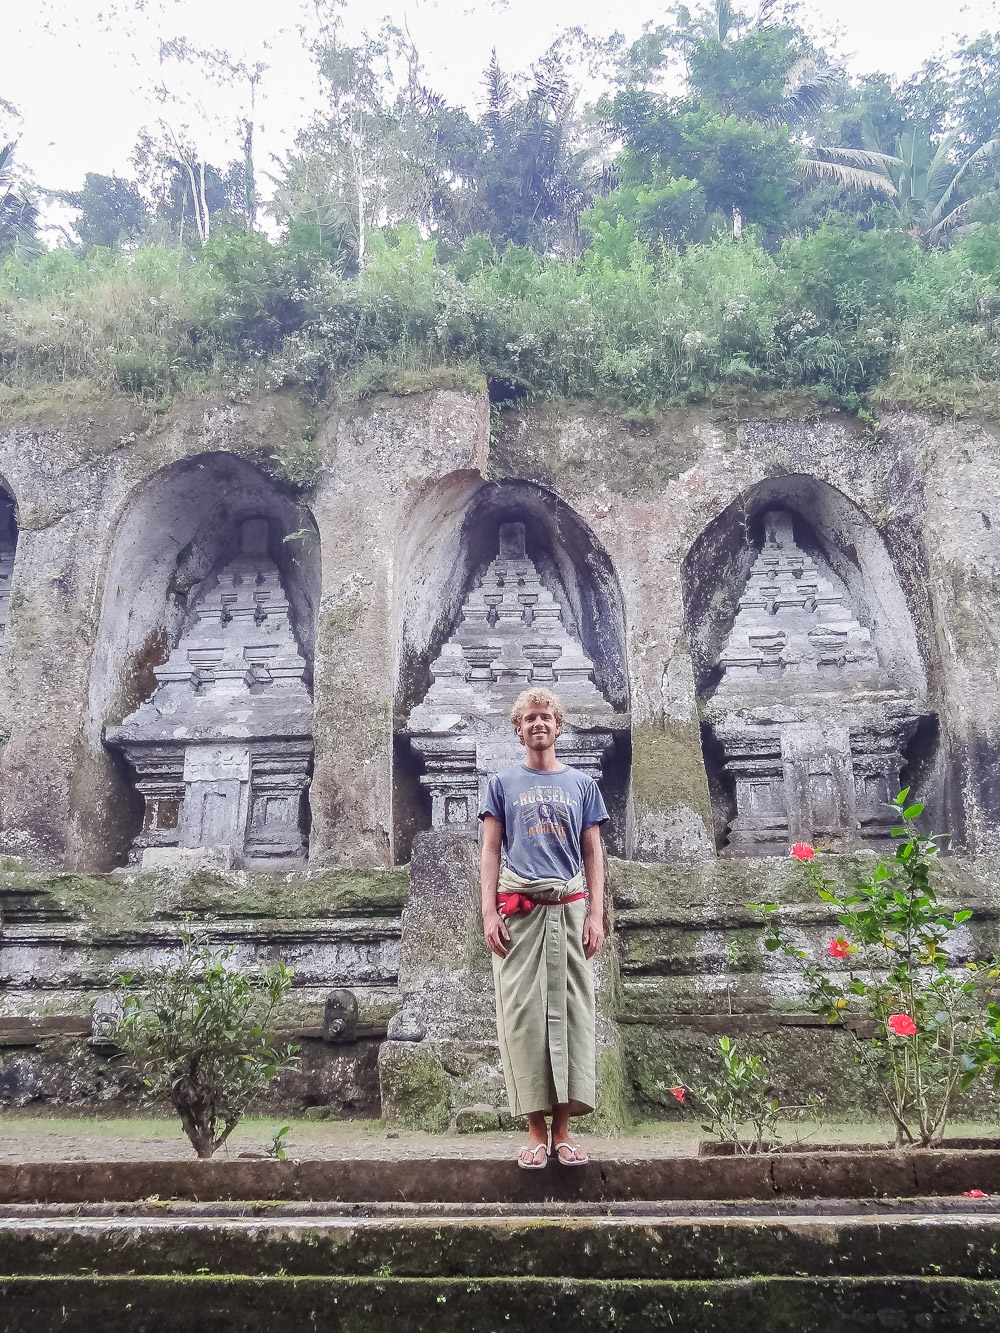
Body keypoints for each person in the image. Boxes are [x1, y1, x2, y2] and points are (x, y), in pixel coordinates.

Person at [479, 686, 608, 1169]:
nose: (538, 725)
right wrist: (489, 912)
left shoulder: (582, 785)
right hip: (519, 915)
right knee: (524, 1020)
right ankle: (536, 1133)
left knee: (573, 1018)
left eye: (546, 717)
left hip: (570, 910)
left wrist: (596, 913)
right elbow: (491, 850)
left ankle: (566, 1132)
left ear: (558, 726)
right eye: (529, 718)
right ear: (518, 729)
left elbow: (593, 852)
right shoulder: (502, 784)